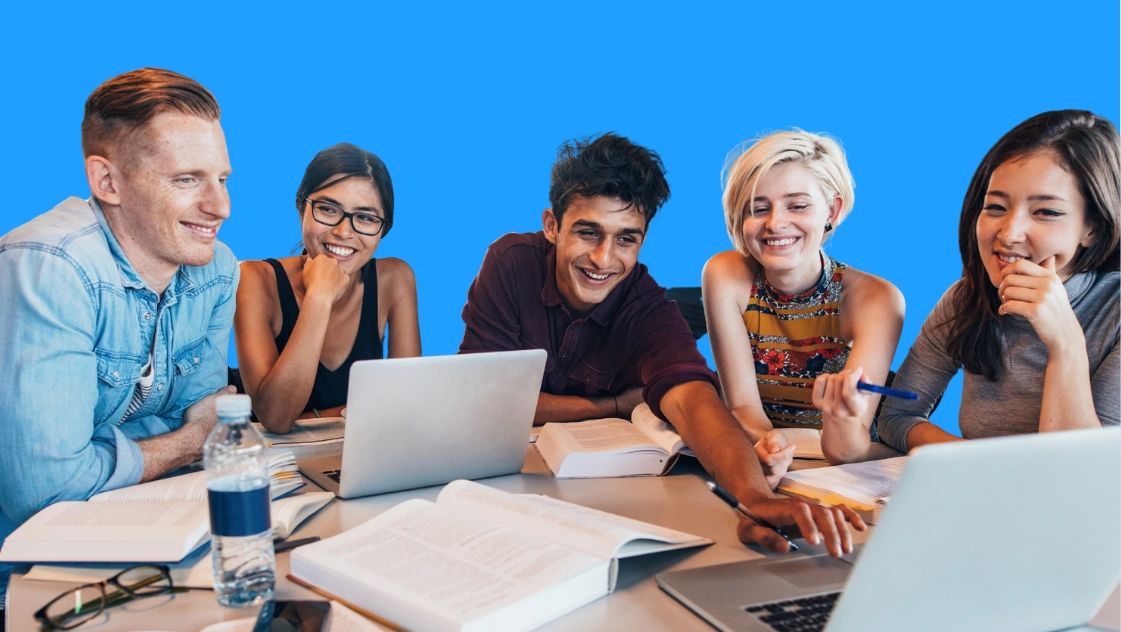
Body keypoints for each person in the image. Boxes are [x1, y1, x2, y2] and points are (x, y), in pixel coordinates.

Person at [459, 133, 864, 559]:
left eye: (625, 239)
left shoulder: (646, 305)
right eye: (587, 232)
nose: (602, 258)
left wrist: (756, 498)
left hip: (595, 498)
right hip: (503, 486)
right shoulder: (510, 262)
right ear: (552, 226)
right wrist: (613, 405)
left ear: (643, 239)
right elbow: (482, 396)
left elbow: (691, 398)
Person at [0, 67, 238, 632]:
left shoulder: (216, 267)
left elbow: (206, 425)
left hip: (131, 547)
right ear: (107, 181)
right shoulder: (48, 266)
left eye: (224, 177)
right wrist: (185, 440)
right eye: (188, 180)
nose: (220, 206)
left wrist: (174, 443)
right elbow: (43, 489)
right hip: (22, 574)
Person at [877, 110, 1120, 452]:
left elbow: (1088, 473)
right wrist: (978, 466)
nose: (1009, 234)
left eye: (1046, 212)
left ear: (1091, 228)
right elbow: (897, 415)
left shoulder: (1115, 312)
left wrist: (1065, 344)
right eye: (995, 207)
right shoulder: (967, 297)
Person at [703, 130, 905, 479]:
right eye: (758, 208)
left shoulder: (877, 299)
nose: (775, 223)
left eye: (797, 205)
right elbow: (743, 407)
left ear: (832, 210)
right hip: (766, 463)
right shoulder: (725, 274)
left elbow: (849, 450)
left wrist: (840, 417)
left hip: (847, 474)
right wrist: (769, 446)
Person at [235, 144, 420, 433]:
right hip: (277, 465)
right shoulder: (254, 279)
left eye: (366, 217)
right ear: (301, 209)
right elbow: (275, 418)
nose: (344, 232)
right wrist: (319, 296)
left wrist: (313, 418)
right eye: (328, 209)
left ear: (383, 230)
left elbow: (407, 406)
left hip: (359, 456)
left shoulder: (395, 279)